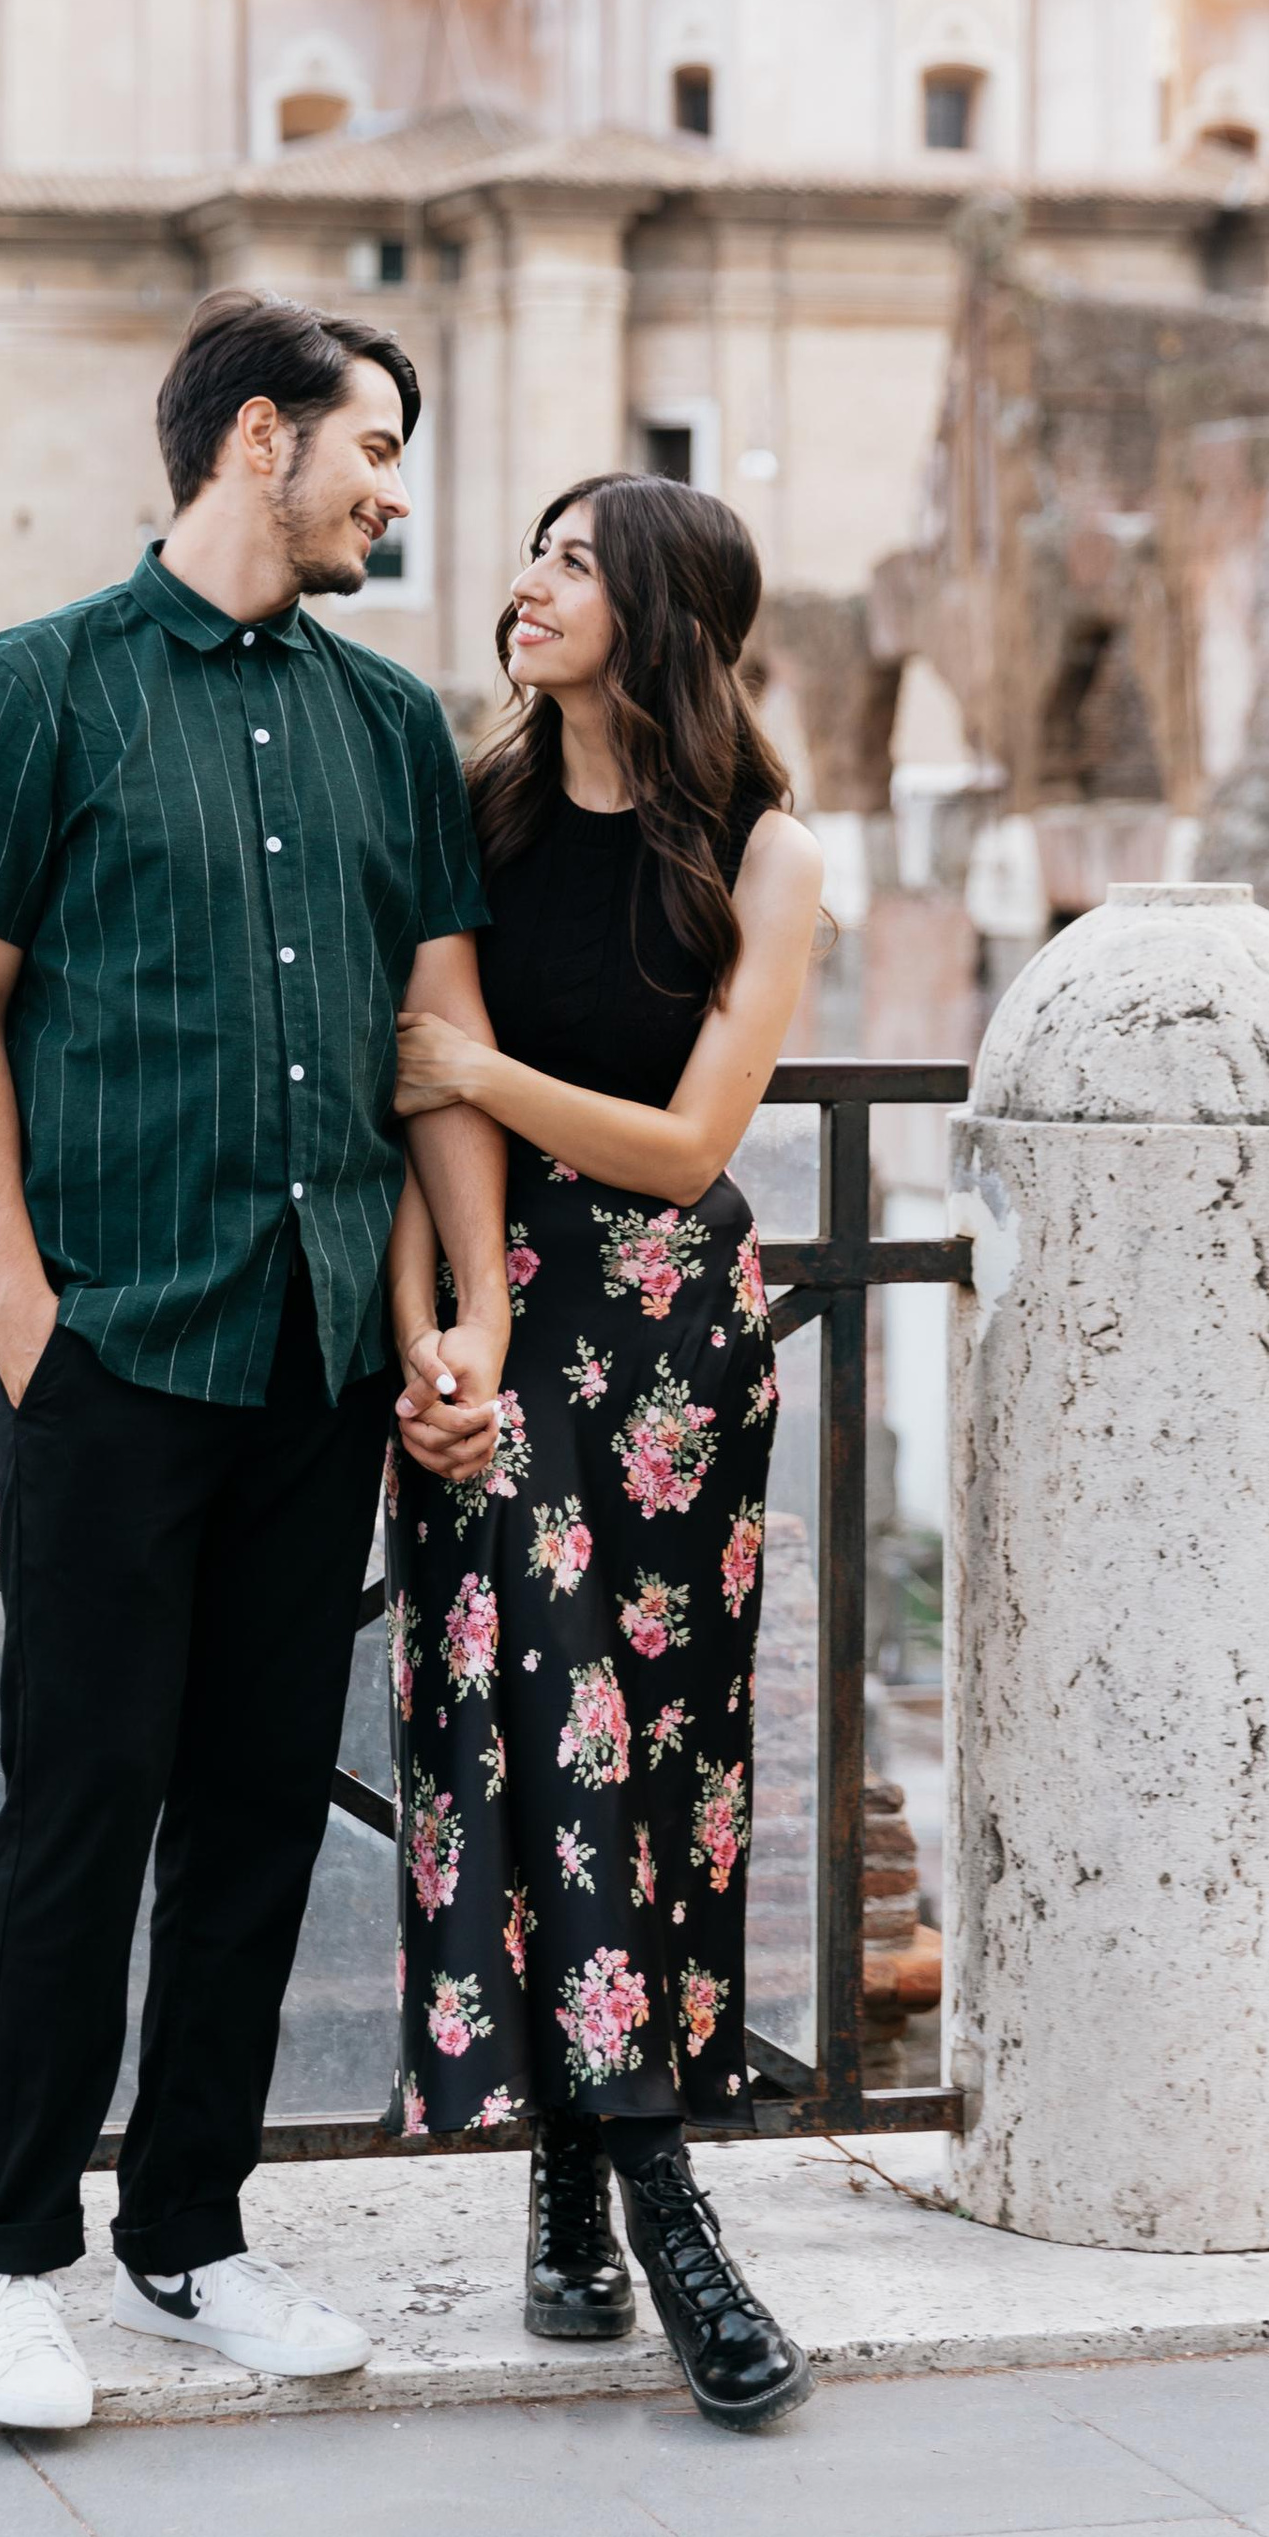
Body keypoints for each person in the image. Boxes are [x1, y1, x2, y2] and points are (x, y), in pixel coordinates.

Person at [0, 292, 508, 2432]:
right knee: (83, 1798)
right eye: (375, 448)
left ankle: (188, 2231)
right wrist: (23, 1316)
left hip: (322, 1350)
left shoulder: (391, 722)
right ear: (261, 438)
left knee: (257, 1806)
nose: (393, 495)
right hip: (114, 1345)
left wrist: (460, 1317)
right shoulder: (29, 689)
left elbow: (437, 1043)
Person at [388, 472, 827, 2429]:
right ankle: (668, 2215)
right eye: (534, 555)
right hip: (509, 1334)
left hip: (681, 1353)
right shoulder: (468, 819)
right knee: (540, 1739)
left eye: (573, 562)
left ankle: (573, 2172)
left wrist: (485, 1067)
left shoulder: (767, 854)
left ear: (660, 613)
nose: (526, 586)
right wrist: (457, 1335)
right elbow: (431, 1118)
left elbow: (690, 1145)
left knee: (653, 1761)